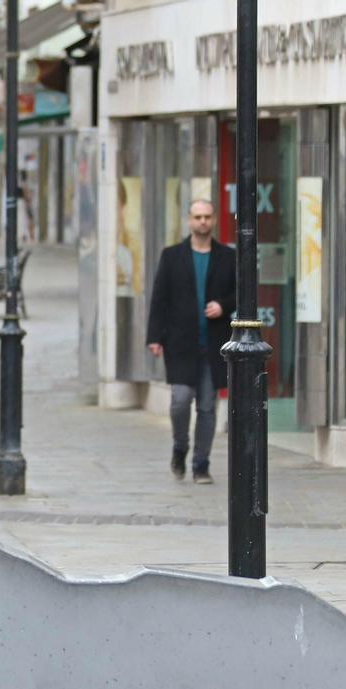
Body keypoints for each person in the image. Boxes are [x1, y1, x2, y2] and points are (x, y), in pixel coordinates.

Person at [146, 199, 236, 485]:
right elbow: (159, 297)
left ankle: (201, 463)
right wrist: (154, 337)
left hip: (214, 343)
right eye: (197, 217)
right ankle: (180, 446)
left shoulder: (227, 256)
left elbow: (242, 294)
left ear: (214, 220)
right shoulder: (172, 256)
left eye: (207, 216)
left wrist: (223, 306)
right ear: (188, 220)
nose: (202, 222)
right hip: (180, 343)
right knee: (180, 400)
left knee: (208, 406)